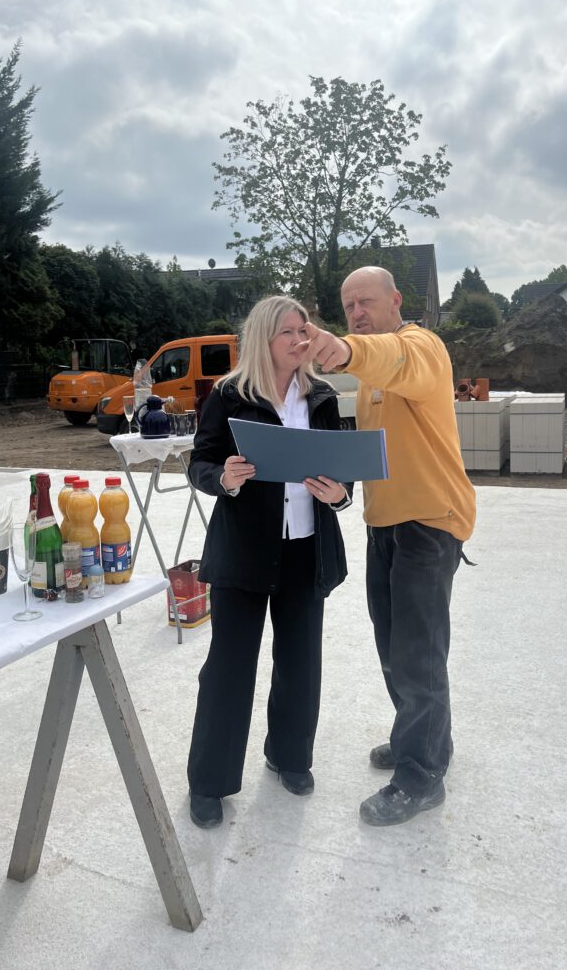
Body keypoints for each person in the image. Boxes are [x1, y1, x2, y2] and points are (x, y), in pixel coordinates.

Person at [300, 266, 476, 827]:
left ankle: (422, 777)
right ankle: (418, 738)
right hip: (385, 525)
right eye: (348, 305)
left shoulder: (421, 347)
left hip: (428, 522)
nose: (356, 312)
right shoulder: (369, 375)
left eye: (366, 301)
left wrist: (345, 349)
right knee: (394, 647)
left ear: (395, 300)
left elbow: (393, 358)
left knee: (418, 654)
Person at [186, 295, 352, 829]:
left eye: (305, 329)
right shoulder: (229, 395)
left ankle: (290, 757)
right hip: (245, 551)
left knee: (301, 661)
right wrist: (224, 478)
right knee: (229, 667)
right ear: (264, 339)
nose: (301, 339)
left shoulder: (322, 397)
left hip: (306, 546)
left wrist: (340, 495)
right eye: (289, 332)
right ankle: (209, 782)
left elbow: (343, 470)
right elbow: (200, 462)